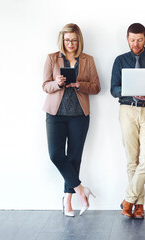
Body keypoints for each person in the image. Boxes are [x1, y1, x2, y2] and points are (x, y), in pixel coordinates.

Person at [43, 23, 101, 217]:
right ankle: (80, 190)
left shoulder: (88, 60)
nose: (70, 43)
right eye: (67, 40)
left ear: (79, 40)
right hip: (56, 114)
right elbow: (45, 85)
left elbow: (96, 87)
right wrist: (57, 83)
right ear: (62, 40)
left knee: (74, 157)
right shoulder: (52, 58)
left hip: (79, 115)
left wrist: (79, 84)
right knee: (56, 155)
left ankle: (67, 200)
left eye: (74, 40)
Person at [111, 23, 145, 219]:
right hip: (127, 110)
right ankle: (139, 206)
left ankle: (128, 200)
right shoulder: (120, 61)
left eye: (140, 40)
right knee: (131, 161)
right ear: (127, 38)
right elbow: (113, 89)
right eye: (132, 40)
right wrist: (130, 91)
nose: (136, 44)